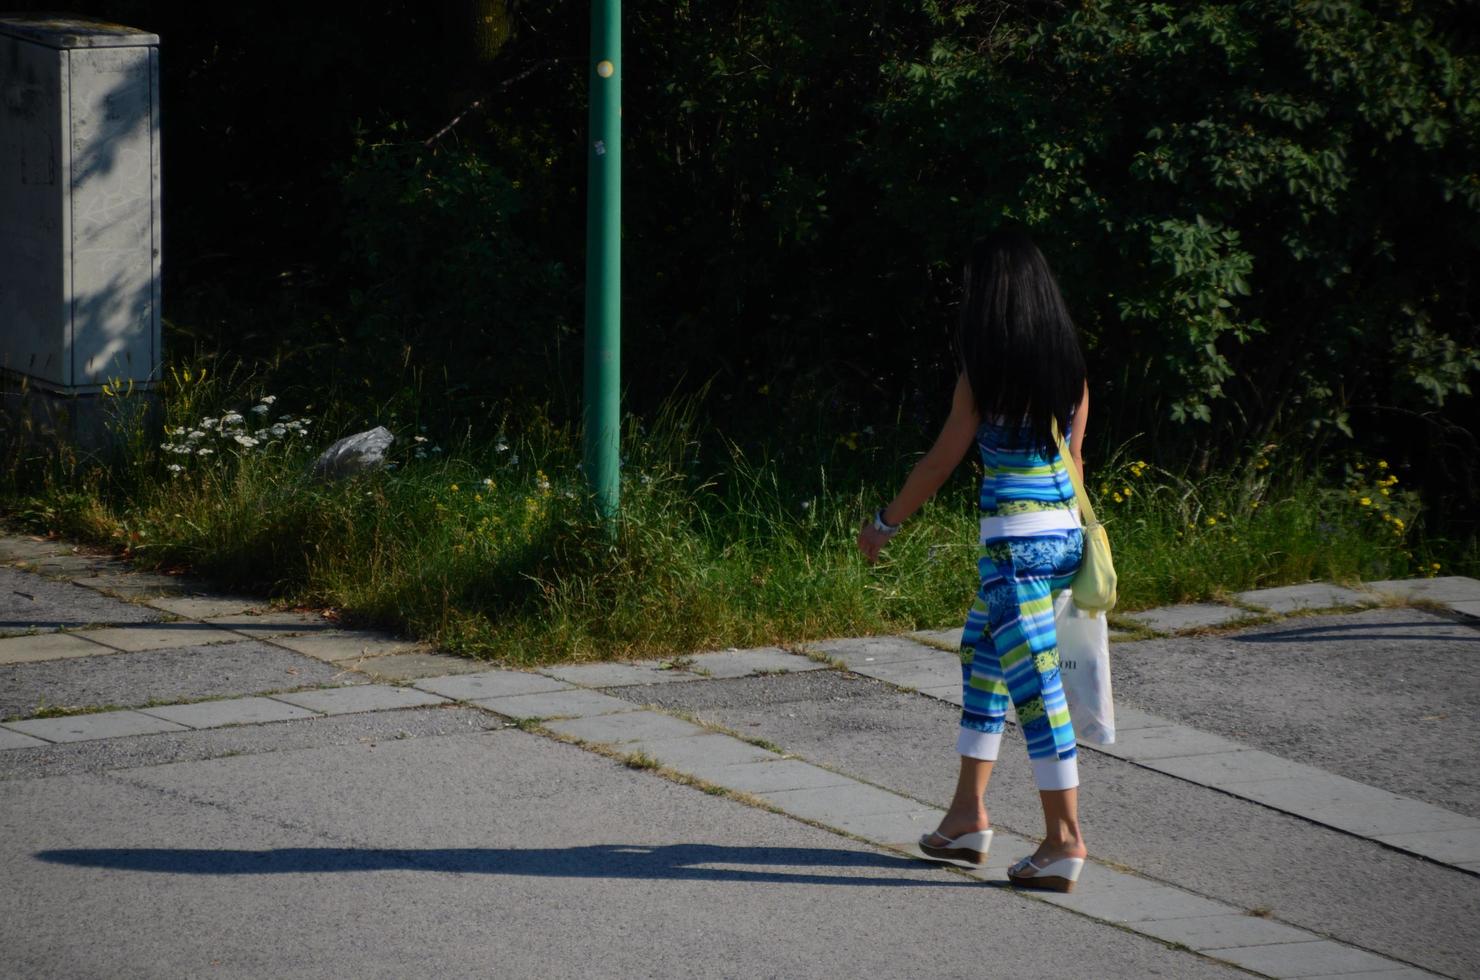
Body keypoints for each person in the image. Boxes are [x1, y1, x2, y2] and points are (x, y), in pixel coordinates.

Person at [856, 229, 1090, 893]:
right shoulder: (1069, 366)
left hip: (1015, 550)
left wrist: (884, 524)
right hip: (1062, 539)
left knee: (1039, 692)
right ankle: (965, 818)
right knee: (981, 655)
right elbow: (1074, 462)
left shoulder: (983, 374)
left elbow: (940, 461)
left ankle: (1063, 841)